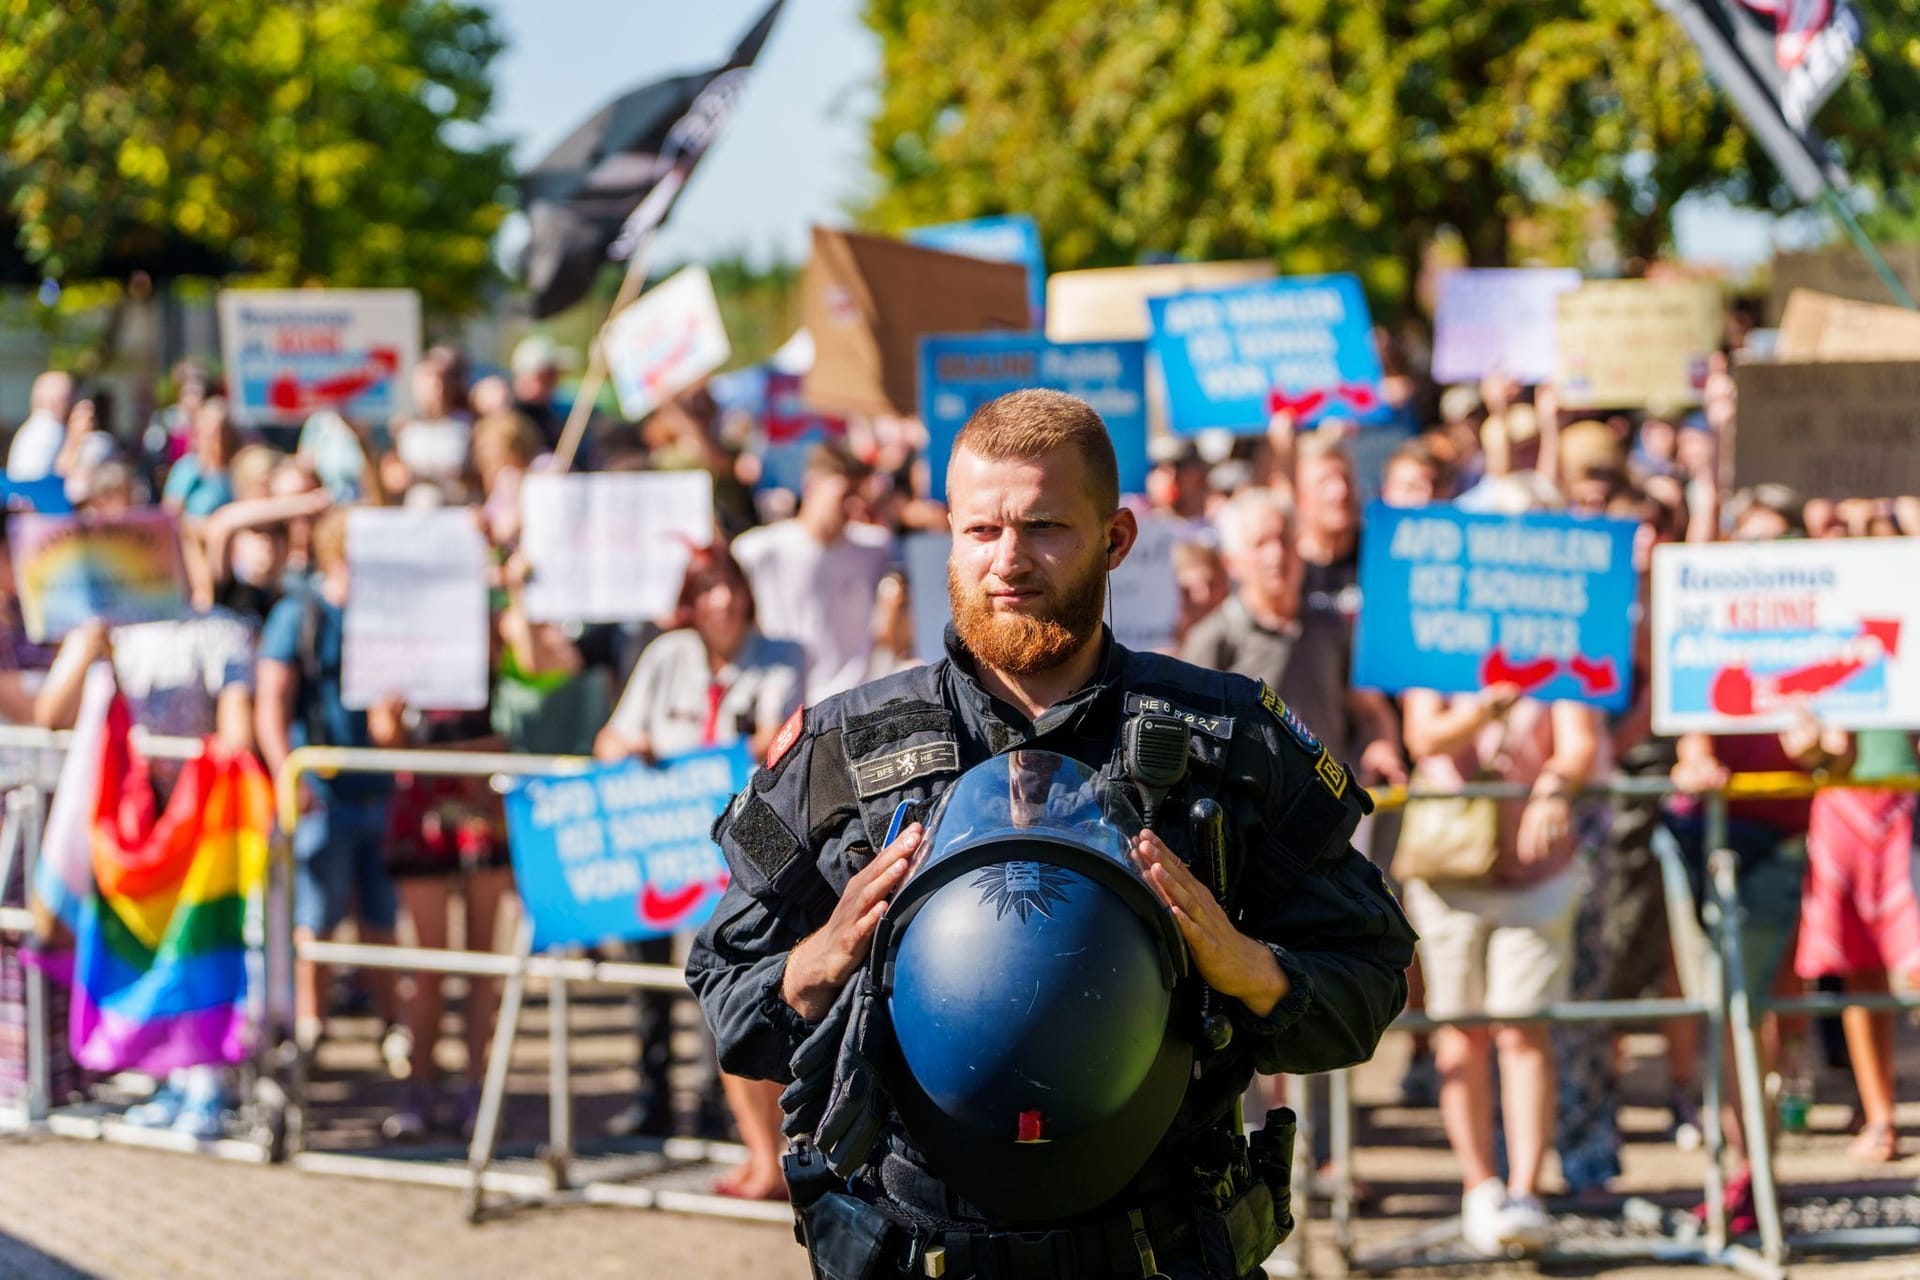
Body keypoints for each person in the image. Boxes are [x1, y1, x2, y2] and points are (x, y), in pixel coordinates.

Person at [689, 389, 1413, 1279]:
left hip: (1162, 1251)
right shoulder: (842, 747)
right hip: (918, 1252)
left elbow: (1372, 977)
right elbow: (724, 983)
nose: (1009, 562)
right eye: (980, 531)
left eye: (1044, 528)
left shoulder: (1232, 740)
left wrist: (1250, 972)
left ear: (1116, 539)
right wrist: (820, 961)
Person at [597, 547, 803, 1197]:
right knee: (651, 976)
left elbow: (774, 741)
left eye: (730, 587)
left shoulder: (782, 655)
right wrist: (638, 749)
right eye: (706, 589)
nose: (721, 602)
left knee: (734, 987)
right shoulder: (666, 657)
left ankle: (743, 1130)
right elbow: (612, 738)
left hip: (746, 848)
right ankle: (656, 1093)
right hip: (664, 849)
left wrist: (678, 752)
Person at [254, 508, 403, 1061]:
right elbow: (271, 703)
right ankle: (309, 1029)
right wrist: (286, 772)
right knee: (312, 916)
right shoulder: (299, 615)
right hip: (319, 790)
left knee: (381, 915)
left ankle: (391, 1023)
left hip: (375, 788)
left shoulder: (381, 615)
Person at [730, 442, 894, 704]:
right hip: (784, 702)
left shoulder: (877, 548)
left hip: (854, 700)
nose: (852, 506)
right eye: (844, 494)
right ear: (811, 485)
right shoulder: (756, 550)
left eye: (859, 496)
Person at [7, 371, 73, 481]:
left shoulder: (30, 428)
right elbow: (62, 475)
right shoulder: (52, 429)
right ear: (55, 401)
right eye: (70, 398)